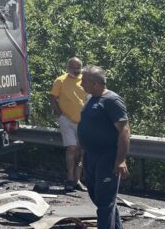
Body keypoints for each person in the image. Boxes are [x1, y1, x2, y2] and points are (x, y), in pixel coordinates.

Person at [78, 66, 131, 229]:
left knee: (105, 201)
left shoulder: (112, 100)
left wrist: (120, 160)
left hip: (107, 156)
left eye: (84, 81)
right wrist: (82, 156)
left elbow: (124, 130)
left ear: (94, 83)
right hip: (90, 155)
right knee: (97, 196)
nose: (81, 84)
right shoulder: (90, 98)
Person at [49, 57, 86, 191]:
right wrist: (60, 114)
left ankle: (78, 180)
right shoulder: (60, 80)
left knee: (82, 151)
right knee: (72, 148)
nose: (76, 70)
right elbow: (52, 97)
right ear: (68, 67)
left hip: (83, 121)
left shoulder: (85, 80)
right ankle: (70, 178)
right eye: (73, 67)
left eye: (78, 67)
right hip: (67, 120)